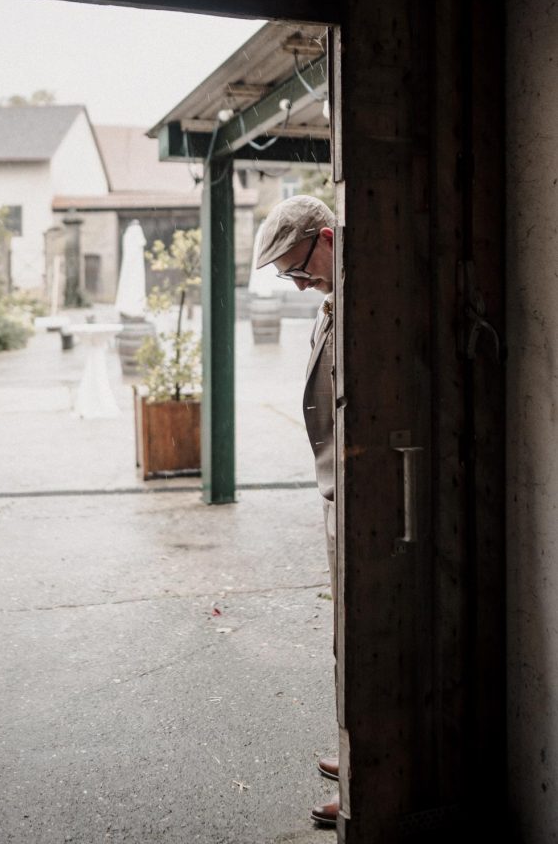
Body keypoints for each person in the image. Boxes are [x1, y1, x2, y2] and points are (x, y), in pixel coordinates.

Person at [256, 194, 339, 830]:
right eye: (289, 274)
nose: (299, 282)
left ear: (328, 237)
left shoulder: (367, 301)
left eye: (299, 268)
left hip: (366, 494)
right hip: (340, 491)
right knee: (347, 635)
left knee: (366, 636)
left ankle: (371, 772)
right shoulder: (332, 301)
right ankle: (355, 743)